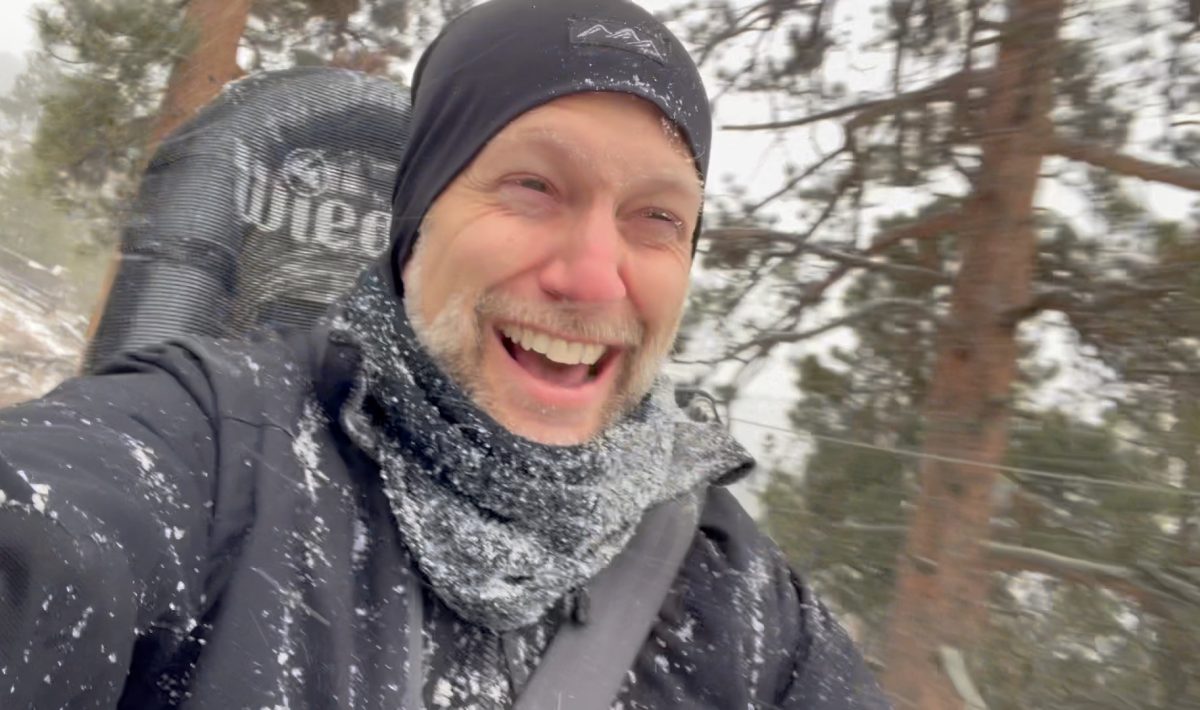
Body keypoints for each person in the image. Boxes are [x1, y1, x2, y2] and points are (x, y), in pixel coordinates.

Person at [0, 0, 890, 707]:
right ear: (418, 218)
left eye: (656, 218)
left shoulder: (746, 610)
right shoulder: (214, 454)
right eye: (534, 187)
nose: (592, 278)